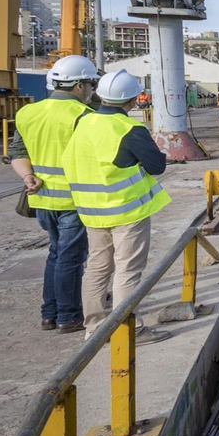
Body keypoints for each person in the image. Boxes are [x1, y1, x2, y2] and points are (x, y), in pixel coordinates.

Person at [64, 69, 171, 331]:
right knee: (127, 271)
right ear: (133, 100)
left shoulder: (84, 122)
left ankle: (94, 329)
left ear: (100, 96)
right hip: (126, 212)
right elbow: (156, 166)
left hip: (91, 211)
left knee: (97, 269)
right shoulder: (130, 128)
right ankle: (128, 330)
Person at [9, 55, 99, 334]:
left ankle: (49, 313)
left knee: (56, 254)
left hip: (41, 198)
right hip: (74, 199)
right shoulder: (85, 116)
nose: (92, 90)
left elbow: (17, 154)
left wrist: (28, 177)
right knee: (71, 258)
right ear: (79, 86)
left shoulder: (28, 113)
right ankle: (69, 316)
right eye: (90, 84)